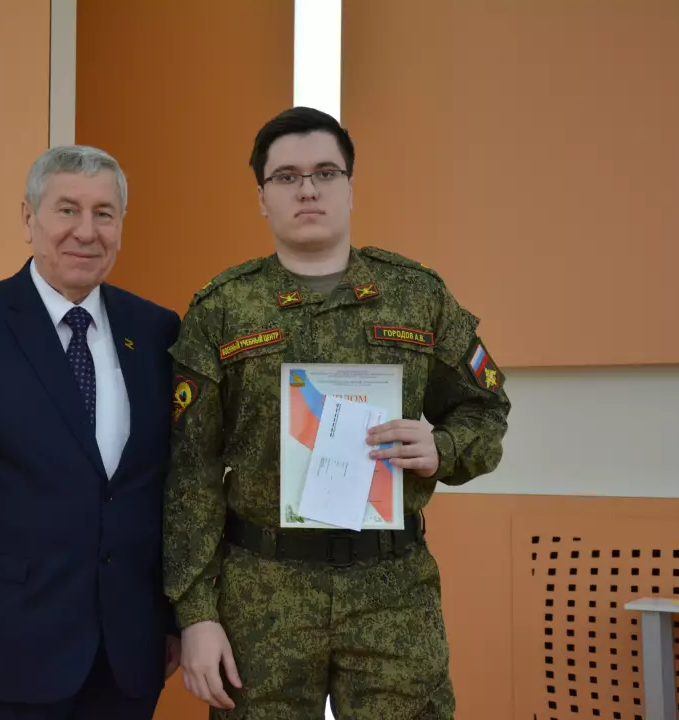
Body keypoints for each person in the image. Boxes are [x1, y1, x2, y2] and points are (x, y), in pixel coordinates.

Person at [162, 107, 512, 719]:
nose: (308, 189)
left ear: (350, 187)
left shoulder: (417, 295)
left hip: (391, 591)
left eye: (325, 172)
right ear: (262, 198)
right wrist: (195, 615)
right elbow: (190, 474)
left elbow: (486, 409)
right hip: (262, 593)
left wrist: (442, 449)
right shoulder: (222, 309)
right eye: (286, 176)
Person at [0, 145, 182, 720]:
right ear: (28, 219)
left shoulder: (156, 331)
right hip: (3, 659)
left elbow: (170, 488)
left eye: (104, 213)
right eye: (66, 210)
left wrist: (173, 620)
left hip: (126, 662)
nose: (86, 231)